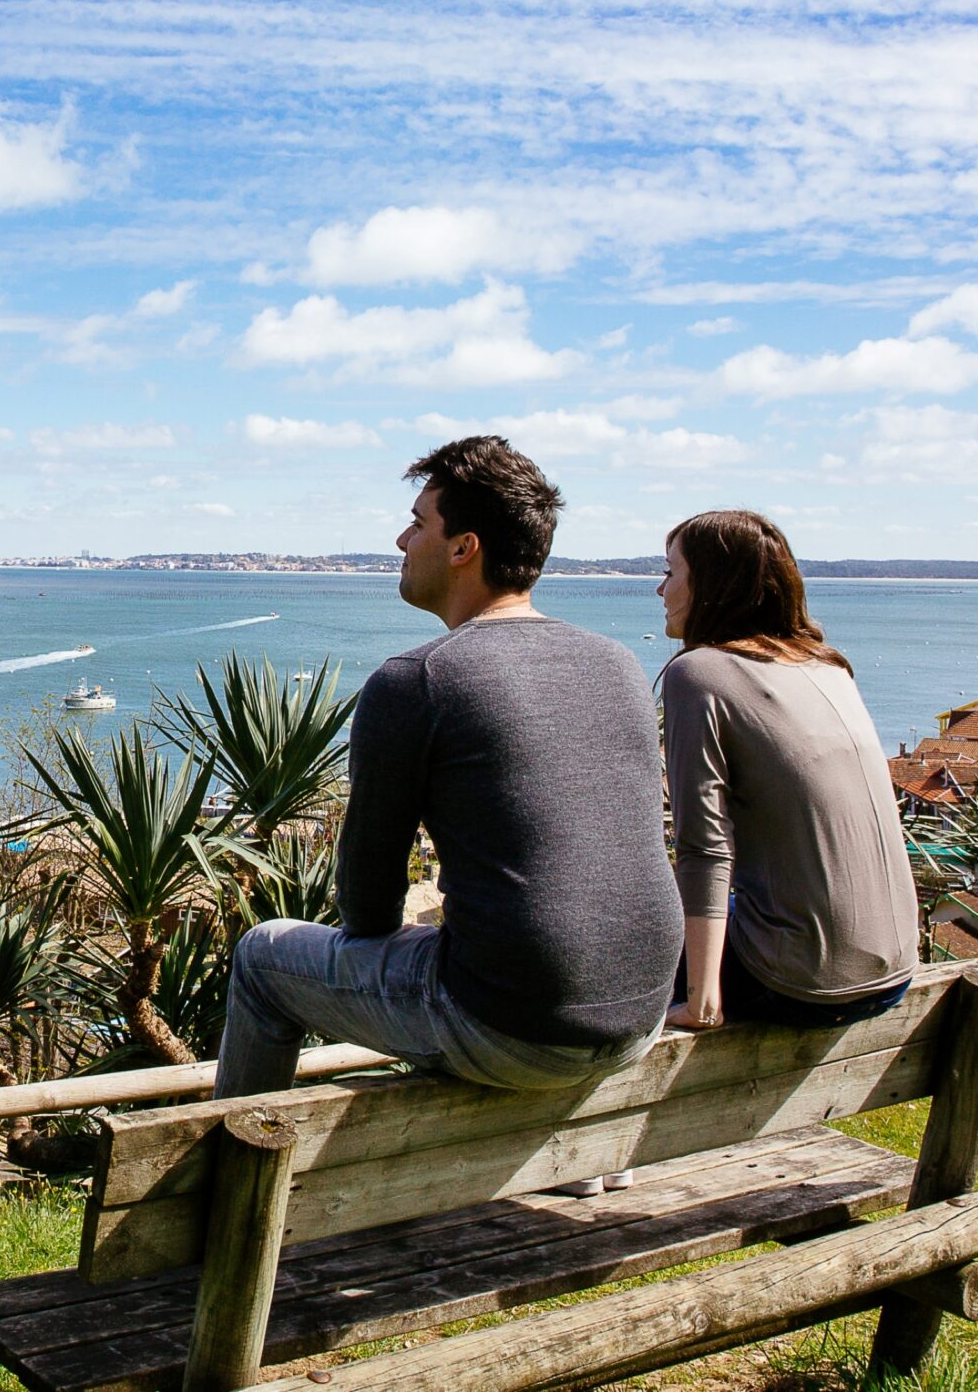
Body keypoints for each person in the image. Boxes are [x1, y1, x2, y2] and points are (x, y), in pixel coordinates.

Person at [214, 437, 685, 1100]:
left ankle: (223, 1185)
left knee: (264, 954)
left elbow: (366, 909)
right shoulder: (616, 664)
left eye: (418, 522)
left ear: (464, 547)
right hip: (640, 1017)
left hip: (511, 1029)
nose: (401, 538)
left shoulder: (417, 680)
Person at [657, 511, 920, 1030]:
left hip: (800, 984)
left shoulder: (698, 673)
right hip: (896, 972)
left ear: (711, 584)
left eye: (670, 572)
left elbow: (704, 846)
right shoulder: (827, 665)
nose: (661, 589)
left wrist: (701, 1000)